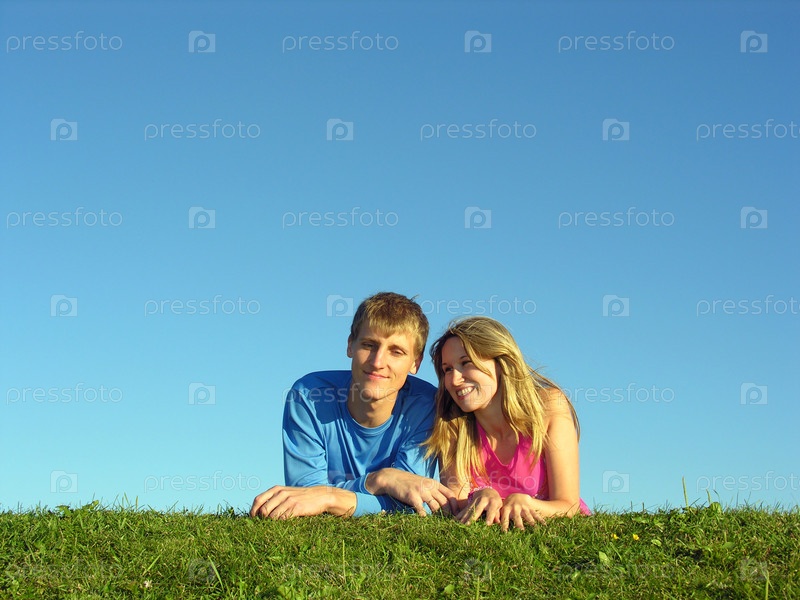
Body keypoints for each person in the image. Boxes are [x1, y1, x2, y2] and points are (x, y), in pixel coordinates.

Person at [251, 292, 457, 520]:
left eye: (396, 352)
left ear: (415, 363)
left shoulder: (427, 405)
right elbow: (305, 498)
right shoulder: (309, 396)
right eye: (369, 345)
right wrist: (379, 480)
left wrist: (329, 498)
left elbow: (410, 504)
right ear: (350, 345)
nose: (378, 362)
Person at [424, 316, 590, 532]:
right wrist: (479, 496)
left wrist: (527, 503)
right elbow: (456, 503)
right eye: (447, 369)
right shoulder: (452, 424)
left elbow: (568, 505)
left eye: (466, 363)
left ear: (501, 362)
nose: (454, 380)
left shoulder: (548, 407)